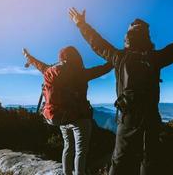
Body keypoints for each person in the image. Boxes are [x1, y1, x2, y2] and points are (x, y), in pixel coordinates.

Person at [69, 7, 173, 175]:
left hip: (127, 117)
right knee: (149, 159)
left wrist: (81, 24)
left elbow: (96, 43)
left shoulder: (119, 57)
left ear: (128, 38)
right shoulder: (155, 58)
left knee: (120, 159)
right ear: (146, 38)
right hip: (151, 117)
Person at [23, 46, 113, 175]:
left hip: (61, 117)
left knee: (68, 147)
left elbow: (39, 65)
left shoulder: (51, 71)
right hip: (80, 118)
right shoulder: (80, 73)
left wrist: (28, 57)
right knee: (80, 151)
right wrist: (116, 59)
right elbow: (103, 69)